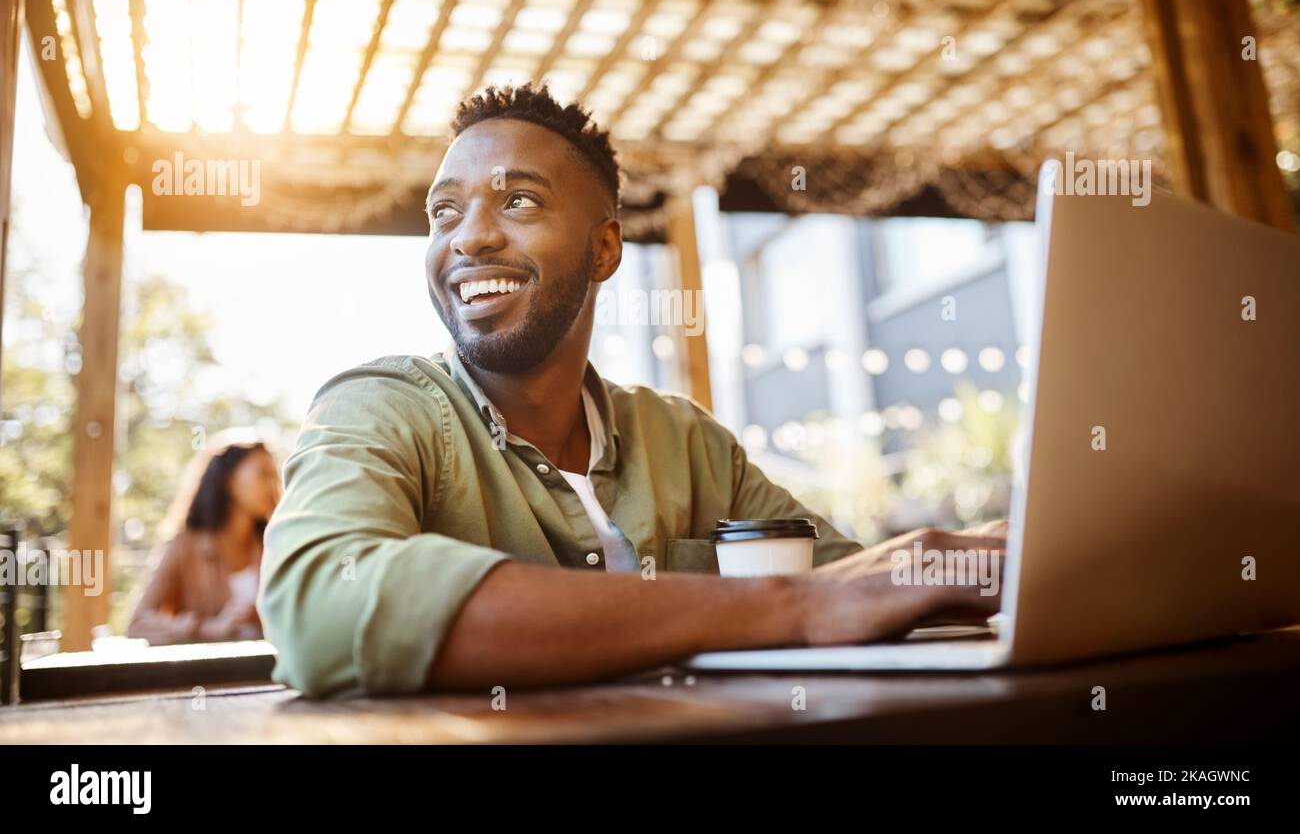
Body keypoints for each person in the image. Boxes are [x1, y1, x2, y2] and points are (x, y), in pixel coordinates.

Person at [260, 82, 1005, 698]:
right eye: (444, 211)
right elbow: (318, 601)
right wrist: (783, 604)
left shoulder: (686, 441)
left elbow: (853, 586)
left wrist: (968, 558)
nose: (468, 236)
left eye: (517, 200)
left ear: (606, 247)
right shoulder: (381, 406)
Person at [128, 438, 281, 645]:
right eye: (263, 474)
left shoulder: (276, 545)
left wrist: (263, 619)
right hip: (208, 674)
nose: (273, 484)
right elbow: (138, 623)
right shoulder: (184, 546)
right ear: (229, 480)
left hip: (268, 672)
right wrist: (207, 628)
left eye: (274, 475)